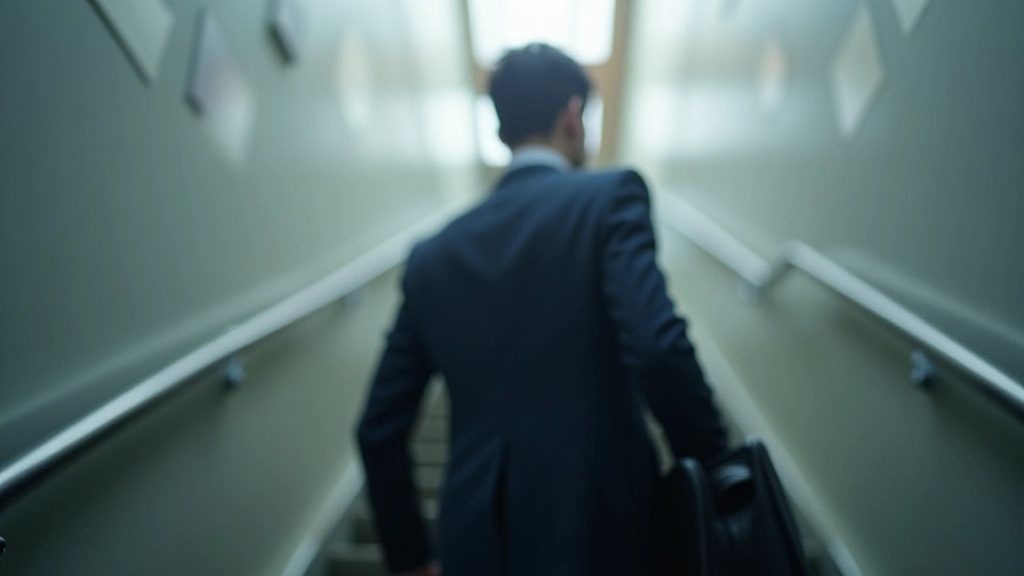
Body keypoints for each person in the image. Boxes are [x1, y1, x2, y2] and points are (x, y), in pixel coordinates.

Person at [356, 43, 727, 576]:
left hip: (477, 544)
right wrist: (718, 467)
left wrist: (412, 557)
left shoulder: (432, 256)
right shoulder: (610, 197)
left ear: (503, 128)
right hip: (605, 531)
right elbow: (657, 348)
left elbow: (377, 428)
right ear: (573, 116)